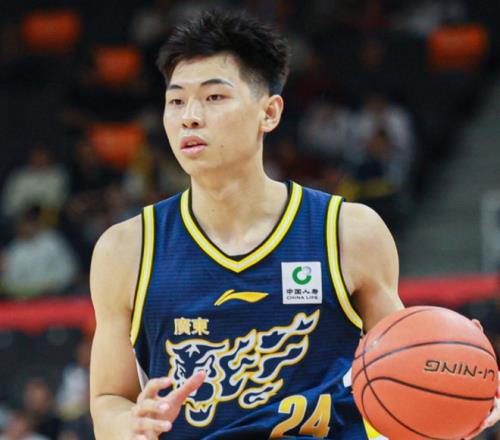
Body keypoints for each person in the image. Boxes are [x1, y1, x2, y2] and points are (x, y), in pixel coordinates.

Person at [89, 10, 499, 440]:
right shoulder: (127, 249)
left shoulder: (349, 233)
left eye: (214, 97)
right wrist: (131, 425)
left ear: (269, 113)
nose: (189, 116)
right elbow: (109, 399)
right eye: (176, 101)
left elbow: (404, 370)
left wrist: (456, 394)